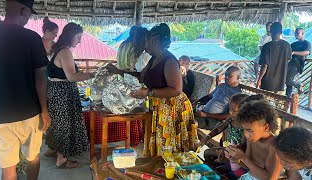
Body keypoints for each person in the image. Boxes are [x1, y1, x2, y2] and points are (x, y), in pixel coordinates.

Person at [107, 23, 199, 156]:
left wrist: (148, 92)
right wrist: (118, 71)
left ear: (154, 40)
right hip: (158, 105)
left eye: (146, 41)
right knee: (159, 147)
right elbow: (141, 77)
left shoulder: (169, 61)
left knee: (168, 149)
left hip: (172, 108)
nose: (144, 45)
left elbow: (176, 89)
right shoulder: (154, 59)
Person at [0, 0, 51, 179]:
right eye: (29, 14)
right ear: (23, 10)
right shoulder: (31, 38)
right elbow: (40, 77)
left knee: (8, 167)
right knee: (32, 158)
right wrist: (44, 110)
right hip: (29, 112)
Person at [45, 23, 95, 168]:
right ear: (70, 35)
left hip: (54, 90)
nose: (79, 41)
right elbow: (72, 76)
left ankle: (52, 149)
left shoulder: (55, 49)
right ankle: (61, 158)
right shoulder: (65, 52)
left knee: (56, 123)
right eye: (78, 37)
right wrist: (91, 74)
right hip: (63, 92)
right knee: (64, 125)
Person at [225, 100, 282, 180]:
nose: (245, 134)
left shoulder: (274, 146)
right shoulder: (252, 140)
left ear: (266, 127)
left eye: (249, 130)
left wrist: (243, 157)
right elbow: (247, 166)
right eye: (244, 130)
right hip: (247, 177)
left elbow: (270, 178)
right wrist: (235, 158)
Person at [202, 93, 249, 180]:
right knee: (207, 153)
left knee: (221, 173)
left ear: (244, 111)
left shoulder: (245, 126)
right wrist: (207, 137)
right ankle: (209, 171)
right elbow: (218, 130)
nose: (230, 112)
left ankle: (219, 171)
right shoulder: (230, 119)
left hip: (238, 156)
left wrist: (226, 153)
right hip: (228, 151)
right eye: (229, 109)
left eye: (234, 111)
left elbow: (241, 147)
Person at [257, 22, 292, 94]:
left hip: (267, 84)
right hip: (281, 83)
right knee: (279, 104)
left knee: (265, 104)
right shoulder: (287, 45)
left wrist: (259, 79)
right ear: (281, 32)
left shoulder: (267, 46)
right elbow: (288, 60)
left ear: (270, 31)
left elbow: (264, 65)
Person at [286, 28, 311, 97]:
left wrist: (294, 53)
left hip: (297, 65)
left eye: (298, 33)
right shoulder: (293, 44)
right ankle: (287, 99)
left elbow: (306, 52)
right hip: (289, 64)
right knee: (288, 82)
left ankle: (298, 85)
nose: (296, 35)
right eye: (295, 33)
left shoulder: (306, 43)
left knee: (288, 80)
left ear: (302, 34)